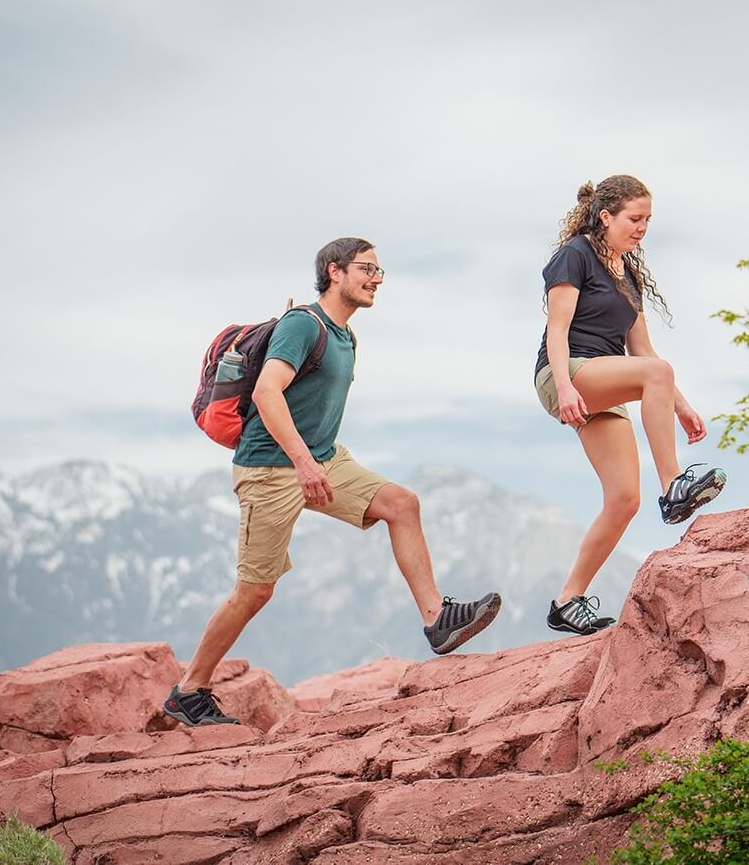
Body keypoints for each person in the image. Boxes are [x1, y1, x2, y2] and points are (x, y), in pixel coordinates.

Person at [164, 237, 502, 726]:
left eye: (380, 272)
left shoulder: (346, 337)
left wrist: (314, 460)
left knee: (402, 504)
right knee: (255, 591)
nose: (375, 279)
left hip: (322, 460)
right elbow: (266, 391)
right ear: (334, 271)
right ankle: (188, 690)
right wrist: (302, 462)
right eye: (367, 269)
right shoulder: (304, 325)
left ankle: (437, 621)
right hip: (269, 470)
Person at [534, 175, 726, 637]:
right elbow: (557, 331)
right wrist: (565, 388)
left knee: (623, 500)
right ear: (606, 217)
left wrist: (680, 405)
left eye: (648, 221)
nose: (642, 228)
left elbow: (642, 350)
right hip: (567, 374)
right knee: (656, 376)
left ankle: (567, 601)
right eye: (634, 219)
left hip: (606, 383)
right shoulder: (575, 255)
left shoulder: (629, 273)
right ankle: (673, 485)